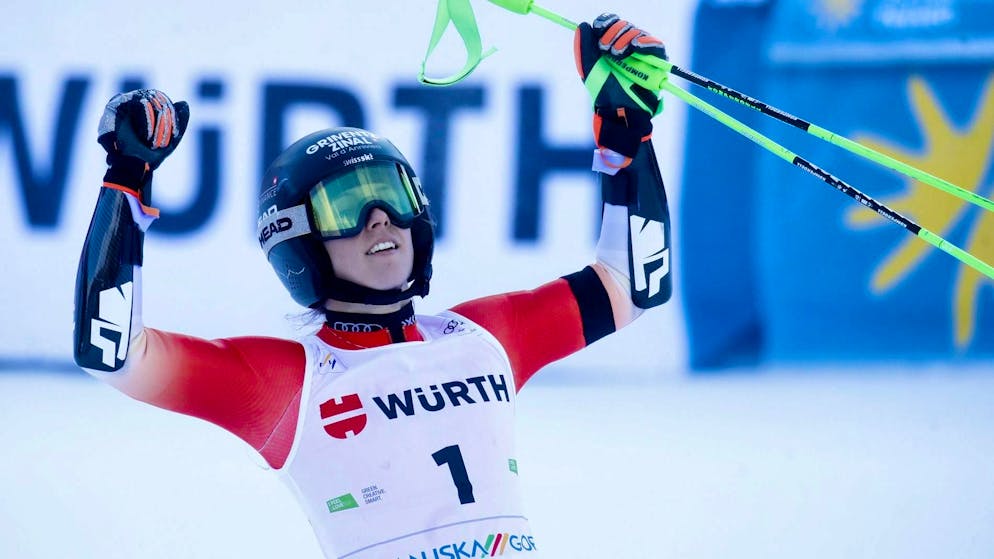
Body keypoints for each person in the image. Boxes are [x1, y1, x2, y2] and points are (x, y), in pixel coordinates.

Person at [73, 14, 671, 559]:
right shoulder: (285, 381)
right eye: (346, 206)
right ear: (297, 242)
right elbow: (112, 353)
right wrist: (126, 179)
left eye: (392, 194)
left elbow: (633, 283)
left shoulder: (487, 336)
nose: (380, 217)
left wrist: (626, 128)